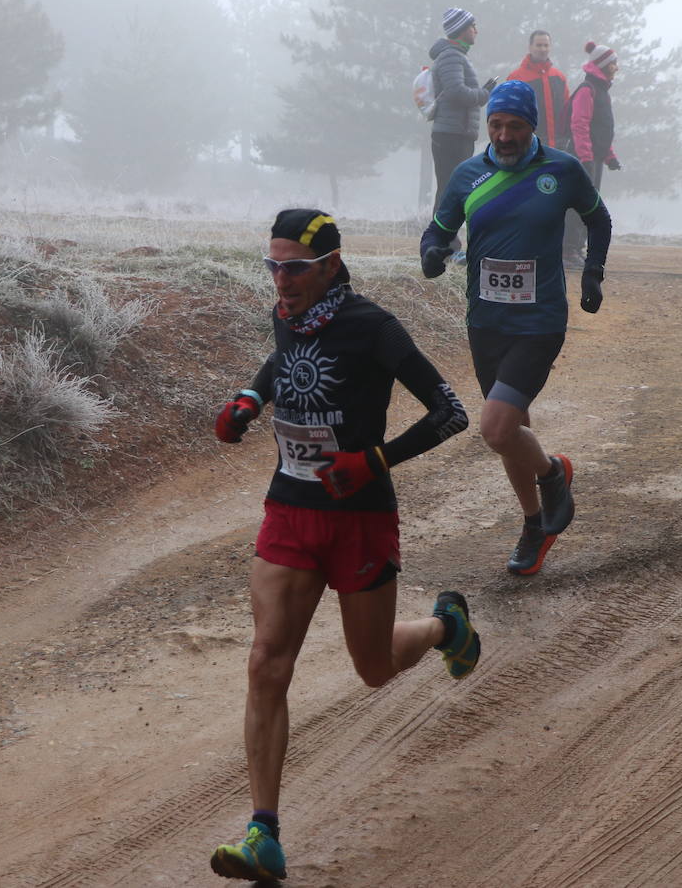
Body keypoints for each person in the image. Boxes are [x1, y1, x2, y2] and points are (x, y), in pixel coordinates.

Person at [209, 209, 477, 882]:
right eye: (272, 266)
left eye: (294, 268)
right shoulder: (289, 309)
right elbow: (285, 355)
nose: (281, 281)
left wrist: (374, 462)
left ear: (330, 265)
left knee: (376, 666)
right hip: (291, 511)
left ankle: (447, 625)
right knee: (267, 661)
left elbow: (450, 411)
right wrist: (251, 396)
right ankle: (262, 833)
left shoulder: (373, 327)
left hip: (359, 517)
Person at [420, 82, 612, 576]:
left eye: (515, 127)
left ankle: (552, 477)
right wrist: (433, 254)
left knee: (496, 427)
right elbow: (438, 231)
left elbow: (599, 219)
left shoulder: (560, 170)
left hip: (539, 321)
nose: (504, 136)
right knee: (511, 431)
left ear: (532, 128)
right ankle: (534, 524)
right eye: (496, 125)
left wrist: (592, 272)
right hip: (486, 321)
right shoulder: (467, 175)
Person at [429, 8, 497, 250]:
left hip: (456, 132)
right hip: (451, 134)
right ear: (460, 29)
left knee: (451, 187)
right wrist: (484, 93)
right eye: (472, 26)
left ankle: (445, 241)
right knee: (450, 187)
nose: (476, 30)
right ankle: (442, 241)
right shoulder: (451, 57)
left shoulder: (456, 55)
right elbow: (457, 93)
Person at [564, 42, 621, 268]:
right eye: (614, 63)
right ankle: (568, 250)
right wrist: (585, 158)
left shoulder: (601, 91)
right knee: (579, 204)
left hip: (592, 158)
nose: (617, 67)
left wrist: (609, 156)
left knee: (588, 205)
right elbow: (580, 125)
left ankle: (576, 248)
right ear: (605, 65)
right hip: (582, 157)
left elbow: (601, 131)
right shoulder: (588, 90)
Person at [506, 30, 569, 151]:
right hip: (529, 142)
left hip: (559, 143)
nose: (543, 49)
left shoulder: (559, 77)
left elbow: (567, 110)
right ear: (530, 47)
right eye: (539, 45)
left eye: (546, 45)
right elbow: (509, 112)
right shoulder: (516, 78)